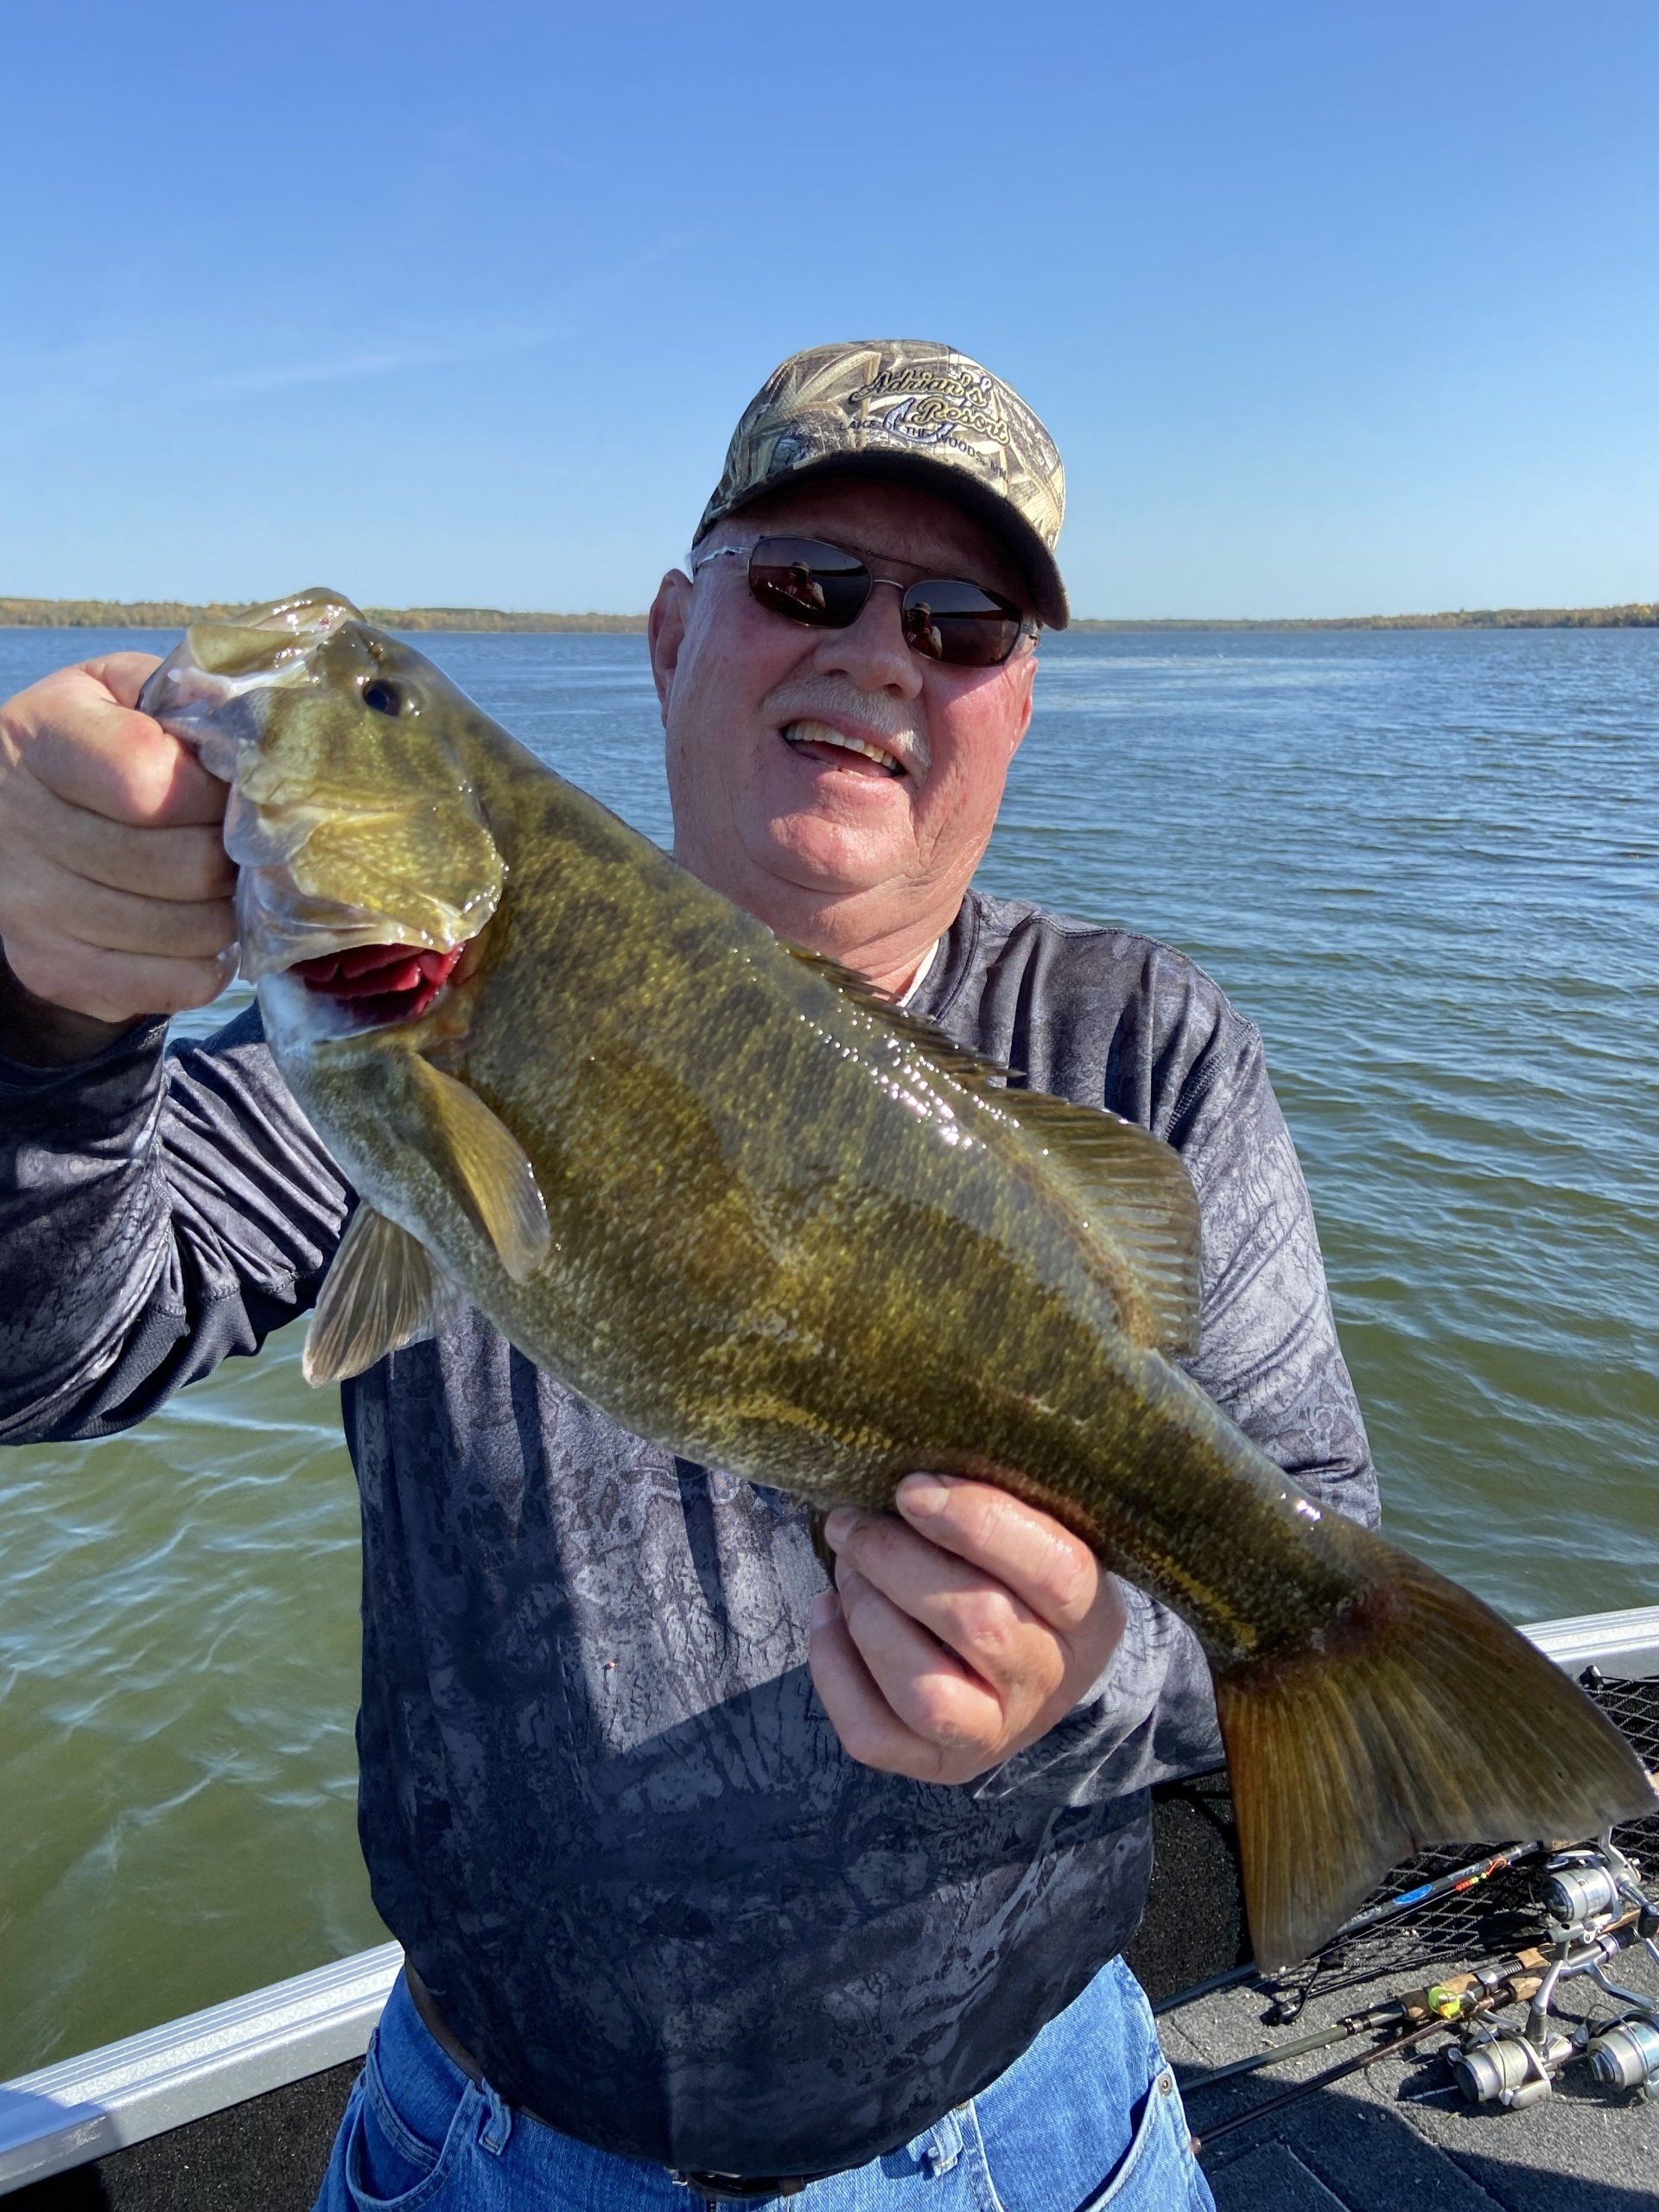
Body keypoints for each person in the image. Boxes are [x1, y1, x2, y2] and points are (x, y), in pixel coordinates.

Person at [0, 340, 1377, 2212]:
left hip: (1045, 2125)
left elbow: (1305, 1556)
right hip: (496, 2144)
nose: (879, 654)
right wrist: (47, 1017)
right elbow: (48, 1355)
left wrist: (1085, 1673)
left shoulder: (1144, 1045)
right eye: (808, 582)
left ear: (1018, 703)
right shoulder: (377, 1041)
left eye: (962, 624)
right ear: (671, 632)